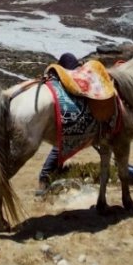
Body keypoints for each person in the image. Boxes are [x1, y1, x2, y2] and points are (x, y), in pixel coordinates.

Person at [36, 52, 80, 196]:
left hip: (60, 115)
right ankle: (44, 180)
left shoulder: (54, 78)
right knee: (59, 147)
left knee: (60, 148)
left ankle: (54, 175)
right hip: (62, 117)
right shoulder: (62, 83)